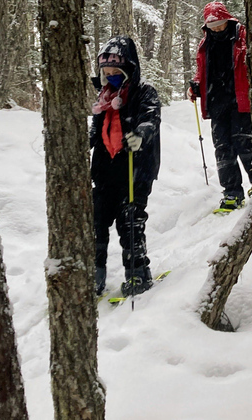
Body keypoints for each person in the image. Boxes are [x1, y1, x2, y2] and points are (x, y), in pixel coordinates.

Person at [90, 36, 161, 297]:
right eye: (106, 73)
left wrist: (140, 135)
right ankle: (94, 274)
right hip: (104, 172)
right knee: (96, 223)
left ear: (128, 71)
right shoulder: (103, 98)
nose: (111, 77)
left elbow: (151, 118)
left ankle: (138, 274)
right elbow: (96, 130)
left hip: (134, 171)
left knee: (130, 223)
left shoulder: (144, 92)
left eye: (116, 72)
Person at [187, 2, 252, 212]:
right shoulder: (205, 44)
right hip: (217, 101)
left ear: (228, 20)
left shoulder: (242, 37)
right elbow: (202, 71)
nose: (217, 28)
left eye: (220, 23)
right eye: (213, 24)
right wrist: (196, 86)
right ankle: (232, 193)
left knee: (244, 142)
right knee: (223, 147)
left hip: (240, 98)